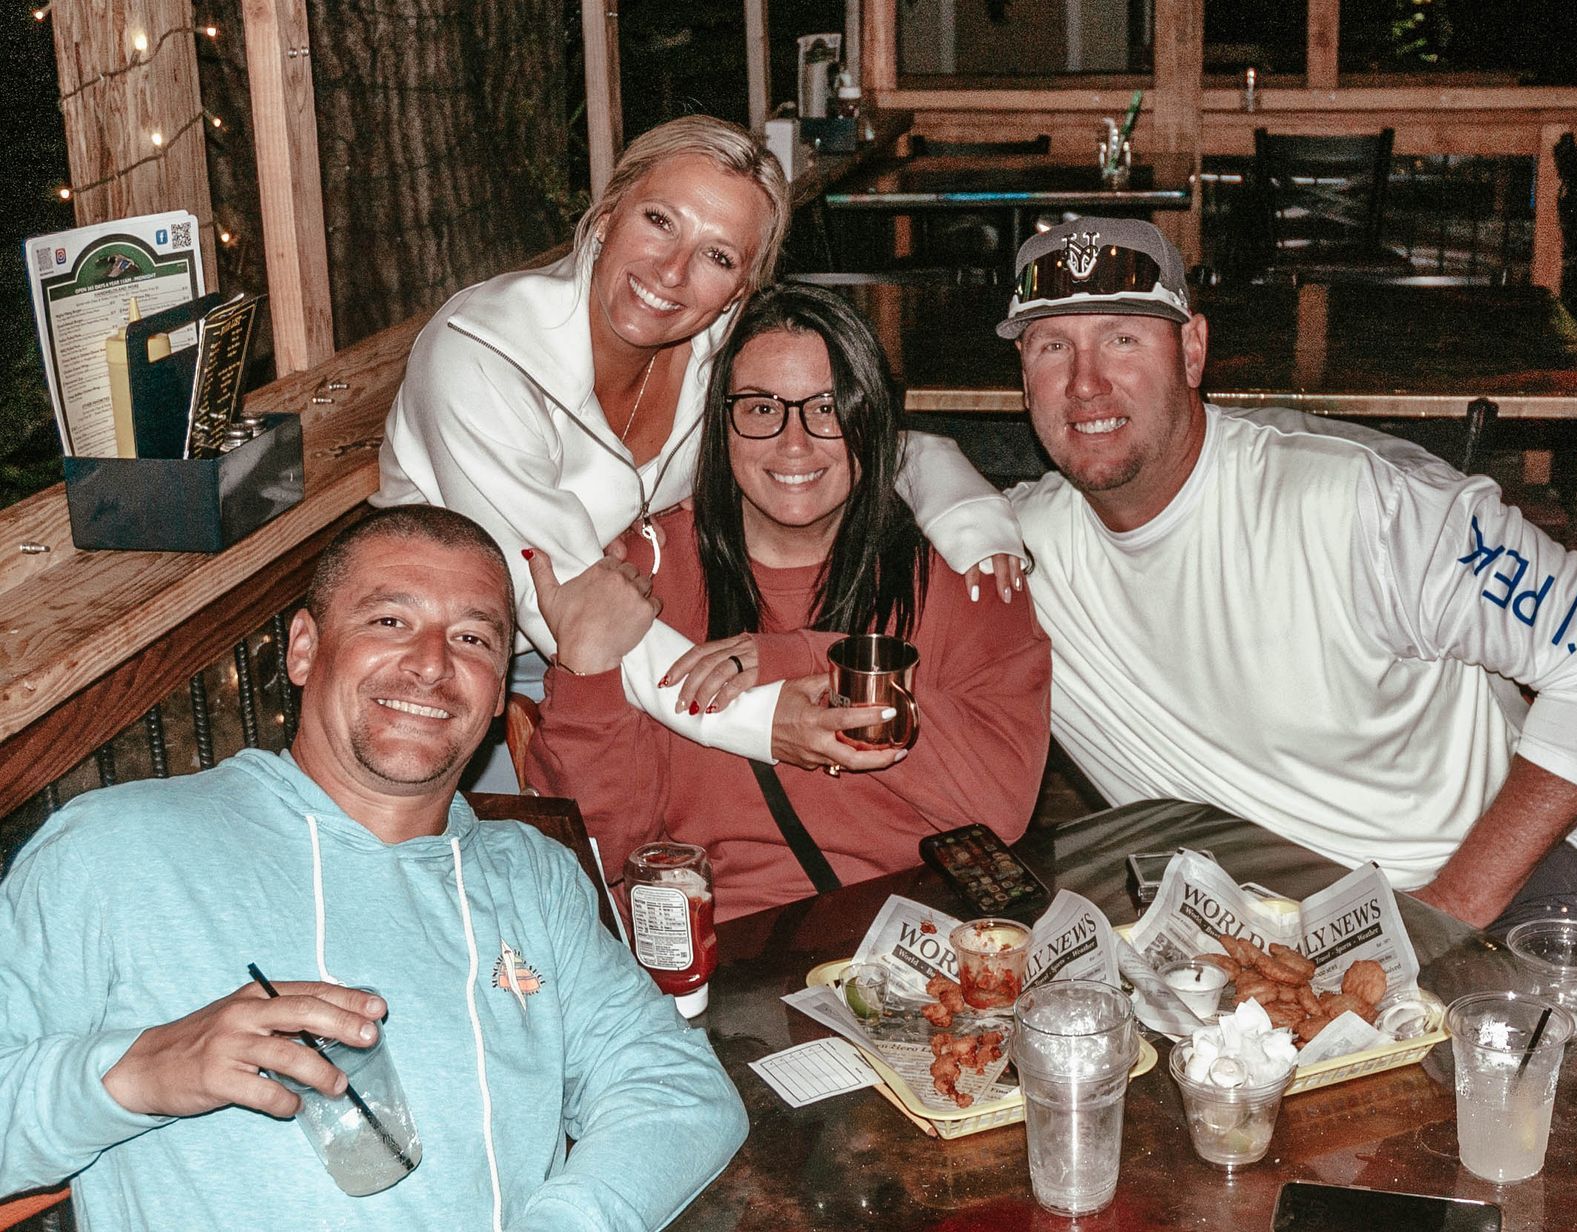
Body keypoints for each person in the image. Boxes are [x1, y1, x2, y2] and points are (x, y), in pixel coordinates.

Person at [0, 507, 747, 1230]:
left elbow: (676, 1092)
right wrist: (129, 1075)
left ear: (496, 697)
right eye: (390, 621)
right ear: (302, 649)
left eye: (474, 638)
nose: (431, 664)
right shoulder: (114, 848)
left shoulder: (531, 877)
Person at [997, 217, 1577, 932]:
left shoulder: (1363, 504)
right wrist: (944, 486)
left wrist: (1445, 917)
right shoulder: (1019, 550)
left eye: (1123, 338)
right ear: (1024, 379)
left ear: (1192, 350)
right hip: (1257, 931)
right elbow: (885, 461)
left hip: (1486, 881)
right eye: (1052, 347)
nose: (1085, 383)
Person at [376, 115, 1024, 790]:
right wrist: (763, 718)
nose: (673, 271)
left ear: (740, 291)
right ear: (606, 215)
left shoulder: (719, 354)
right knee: (559, 868)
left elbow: (850, 439)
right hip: (455, 659)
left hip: (640, 636)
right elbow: (563, 599)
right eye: (659, 220)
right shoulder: (480, 352)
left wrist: (971, 516)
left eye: (718, 257)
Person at [522, 282, 1051, 923]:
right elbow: (599, 850)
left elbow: (1001, 802)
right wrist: (588, 674)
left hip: (918, 939)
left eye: (827, 408)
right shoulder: (641, 574)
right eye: (762, 408)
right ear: (719, 424)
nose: (793, 443)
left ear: (872, 417)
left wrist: (798, 660)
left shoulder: (959, 569)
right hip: (720, 944)